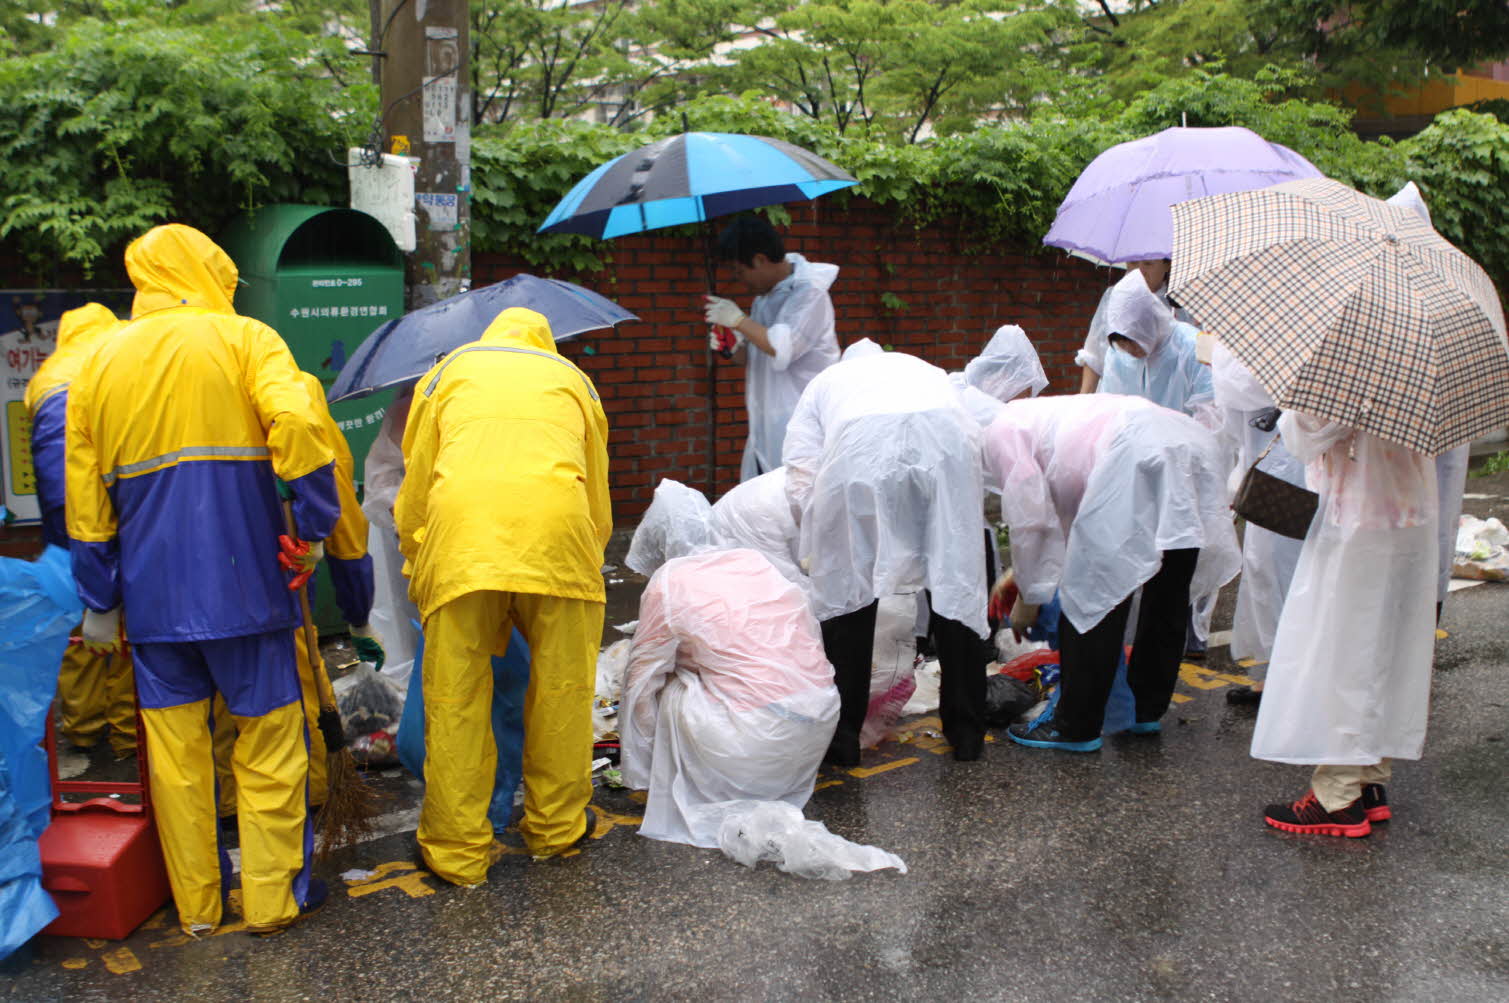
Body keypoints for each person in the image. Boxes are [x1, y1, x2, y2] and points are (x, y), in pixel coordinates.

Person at [65, 224, 339, 937]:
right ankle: (273, 901)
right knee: (271, 744)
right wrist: (312, 527)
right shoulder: (245, 338)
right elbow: (300, 423)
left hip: (153, 605)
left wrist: (100, 598)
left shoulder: (95, 364)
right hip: (248, 585)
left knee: (179, 762)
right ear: (213, 270)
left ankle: (198, 909)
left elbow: (85, 499)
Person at [396, 306, 611, 885]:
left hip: (464, 542)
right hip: (559, 538)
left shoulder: (447, 373)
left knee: (456, 700)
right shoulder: (574, 381)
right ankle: (556, 830)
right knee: (562, 691)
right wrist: (586, 562)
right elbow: (597, 491)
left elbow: (416, 483)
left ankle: (457, 852)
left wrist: (419, 561)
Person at [982, 394, 1239, 752]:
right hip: (1189, 443)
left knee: (1094, 591)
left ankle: (1075, 726)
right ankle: (1147, 708)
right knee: (1168, 588)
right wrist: (1019, 576)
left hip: (1131, 453)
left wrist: (1030, 594)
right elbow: (1063, 506)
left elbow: (1033, 519)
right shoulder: (1044, 413)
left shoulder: (1000, 432)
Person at [783, 339, 988, 764]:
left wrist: (818, 541)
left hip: (860, 445)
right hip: (947, 439)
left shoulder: (826, 381)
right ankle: (967, 733)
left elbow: (801, 467)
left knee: (847, 598)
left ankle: (842, 741)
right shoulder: (924, 368)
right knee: (955, 582)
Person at [1254, 412, 1437, 837]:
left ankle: (1337, 797)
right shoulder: (1412, 375)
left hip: (1358, 529)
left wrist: (1289, 412)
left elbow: (1305, 439)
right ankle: (1369, 779)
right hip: (1409, 521)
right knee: (1387, 653)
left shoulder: (1350, 371)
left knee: (1344, 657)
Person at [620, 513, 839, 847]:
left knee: (667, 676)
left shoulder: (668, 580)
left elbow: (640, 681)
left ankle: (701, 780)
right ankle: (767, 778)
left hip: (746, 744)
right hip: (816, 719)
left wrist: (643, 761)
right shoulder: (753, 561)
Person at [23, 302, 136, 759]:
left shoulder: (45, 375)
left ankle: (84, 726)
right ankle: (130, 733)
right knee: (126, 617)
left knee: (77, 615)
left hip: (60, 515)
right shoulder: (112, 357)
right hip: (106, 501)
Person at [702, 214, 840, 482]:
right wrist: (731, 347)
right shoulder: (764, 299)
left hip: (806, 424)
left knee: (802, 508)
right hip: (767, 424)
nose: (739, 280)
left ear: (760, 260)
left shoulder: (810, 293)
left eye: (739, 271)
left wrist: (739, 320)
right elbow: (758, 355)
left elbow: (783, 347)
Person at [1211, 345, 1305, 705]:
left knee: (1270, 575)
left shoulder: (1239, 353)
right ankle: (1286, 675)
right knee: (1291, 574)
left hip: (1272, 479)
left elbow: (1232, 418)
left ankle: (1278, 678)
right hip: (1301, 475)